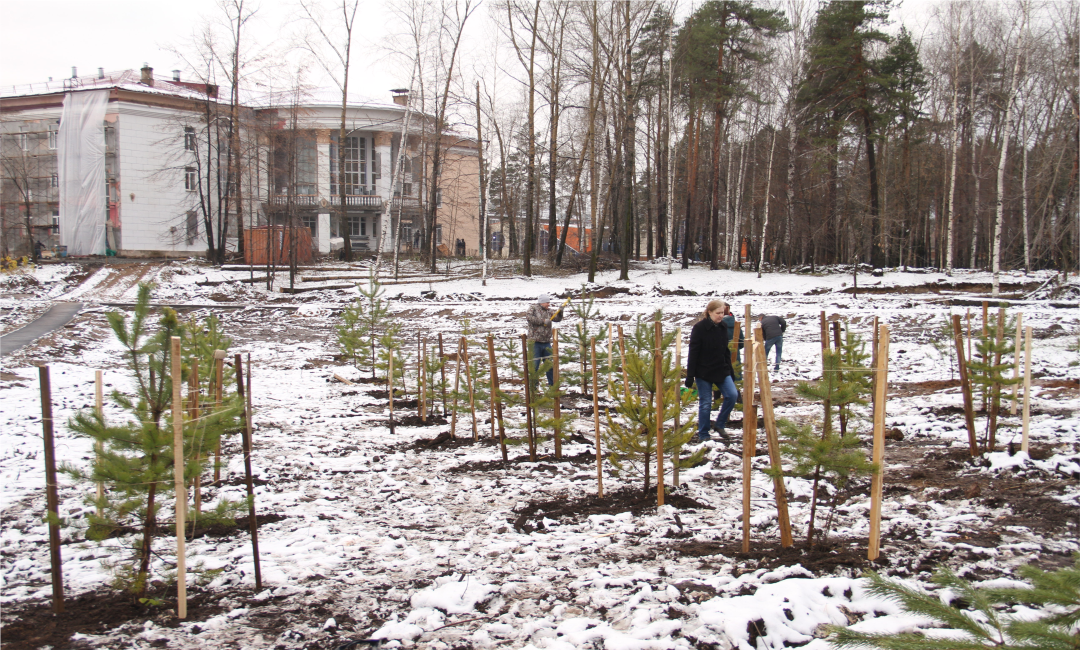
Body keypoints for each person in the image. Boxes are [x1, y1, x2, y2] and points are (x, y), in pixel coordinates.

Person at [685, 299, 738, 442]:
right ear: (709, 312)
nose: (721, 316)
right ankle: (703, 434)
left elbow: (725, 351)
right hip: (703, 371)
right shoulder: (699, 328)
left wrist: (730, 371)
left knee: (732, 395)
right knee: (706, 403)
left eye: (723, 313)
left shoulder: (723, 327)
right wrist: (690, 375)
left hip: (721, 369)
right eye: (718, 313)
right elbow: (693, 352)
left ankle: (720, 424)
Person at [526, 293, 565, 386]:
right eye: (547, 302)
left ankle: (552, 386)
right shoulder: (533, 308)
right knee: (534, 366)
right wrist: (543, 321)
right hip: (535, 342)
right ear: (541, 302)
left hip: (546, 342)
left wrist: (560, 312)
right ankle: (533, 388)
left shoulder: (549, 311)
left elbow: (557, 319)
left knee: (550, 365)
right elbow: (529, 318)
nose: (548, 304)